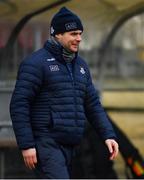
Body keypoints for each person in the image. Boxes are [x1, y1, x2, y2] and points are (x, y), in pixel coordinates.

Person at [10, 7, 119, 179]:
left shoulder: (81, 66)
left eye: (80, 33)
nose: (79, 38)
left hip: (72, 145)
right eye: (74, 34)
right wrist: (27, 145)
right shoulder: (35, 63)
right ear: (57, 34)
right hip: (46, 144)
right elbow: (19, 104)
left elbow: (93, 104)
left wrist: (108, 135)